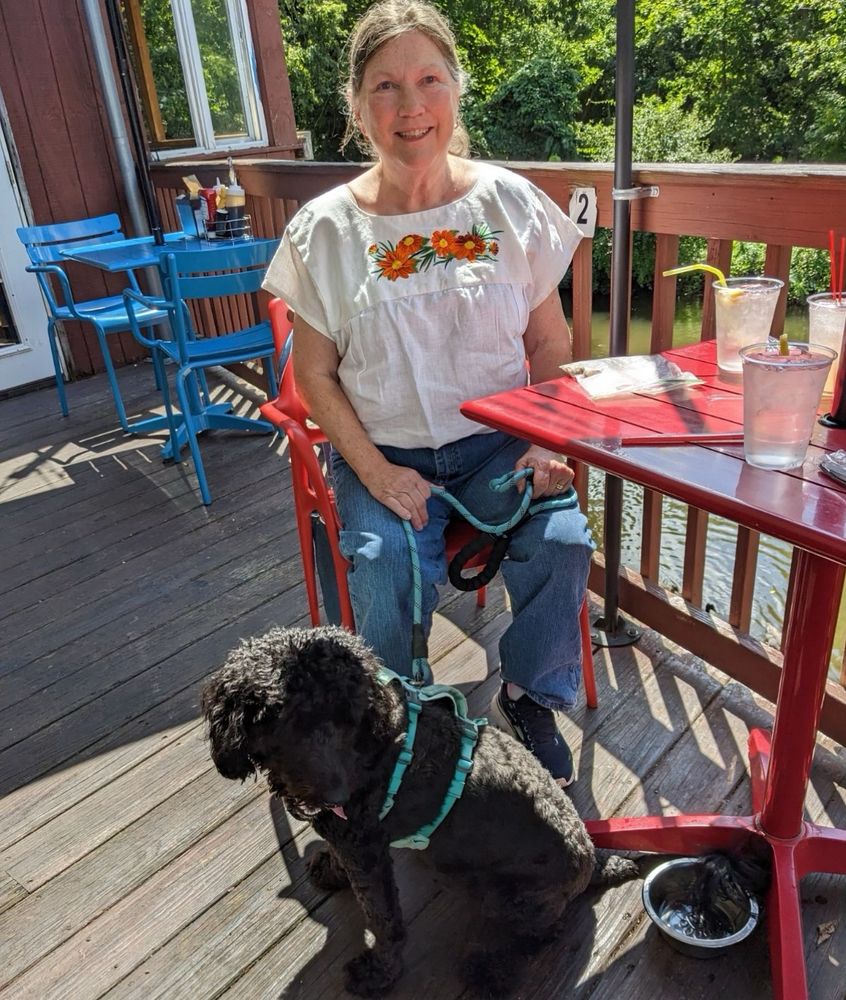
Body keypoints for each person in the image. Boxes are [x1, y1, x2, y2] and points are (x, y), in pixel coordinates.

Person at [262, 0, 593, 787]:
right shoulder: (325, 231)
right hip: (385, 452)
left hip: (498, 445)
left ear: (456, 90)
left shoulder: (509, 204)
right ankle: (397, 720)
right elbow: (313, 376)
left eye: (429, 80)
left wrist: (546, 440)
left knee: (563, 543)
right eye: (385, 86)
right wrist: (375, 473)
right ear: (356, 105)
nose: (410, 106)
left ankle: (528, 693)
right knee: (380, 565)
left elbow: (548, 344)